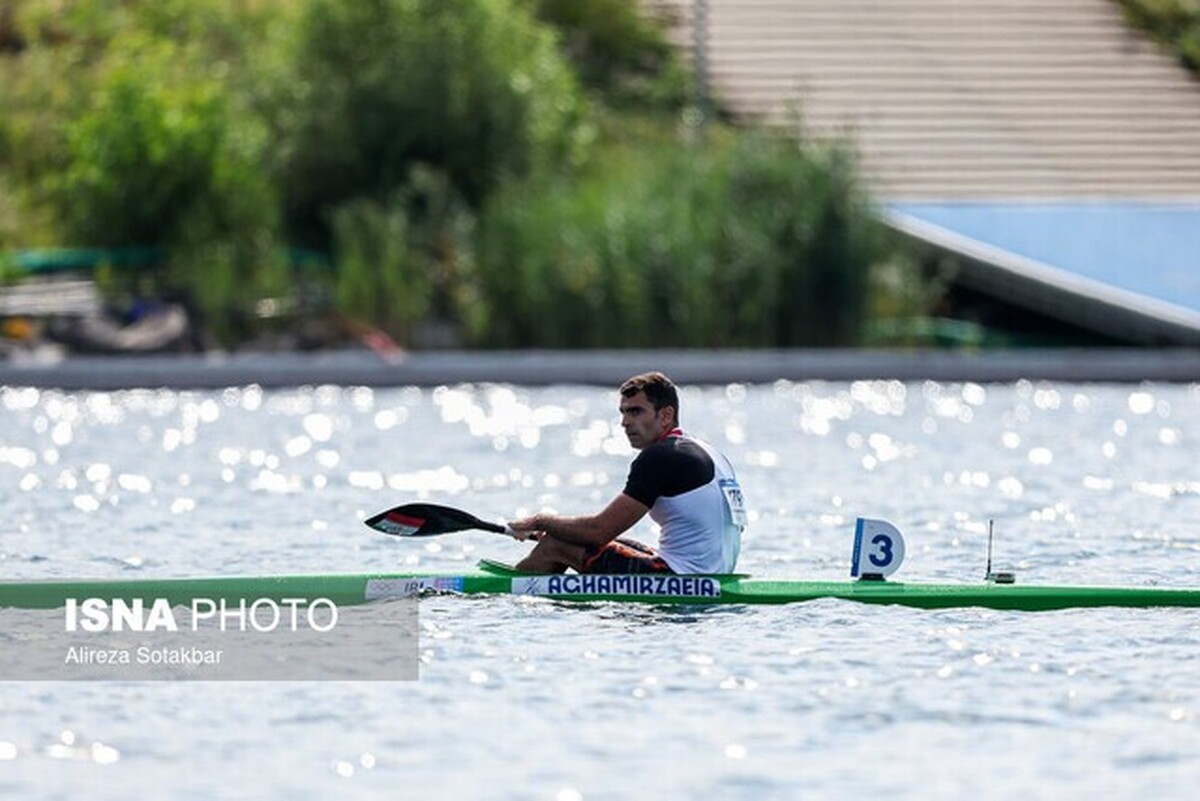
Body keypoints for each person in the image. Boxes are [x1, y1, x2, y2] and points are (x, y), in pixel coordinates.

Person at [509, 372, 746, 575]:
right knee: (568, 537)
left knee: (555, 544)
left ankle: (509, 595)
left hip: (681, 577)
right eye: (623, 412)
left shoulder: (660, 457)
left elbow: (598, 531)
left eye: (635, 412)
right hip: (716, 573)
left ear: (665, 416)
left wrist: (540, 521)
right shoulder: (712, 453)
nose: (624, 422)